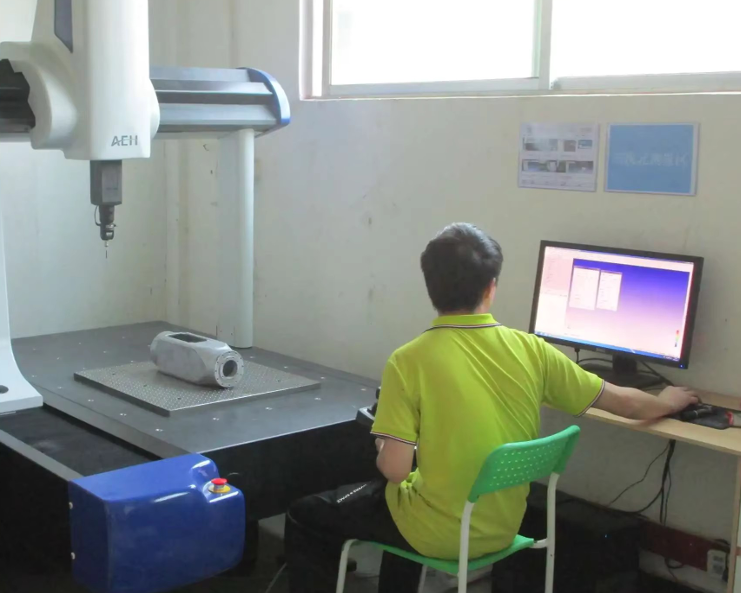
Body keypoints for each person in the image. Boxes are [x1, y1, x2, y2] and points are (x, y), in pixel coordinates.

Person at [283, 223, 698, 593]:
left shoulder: (408, 361)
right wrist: (667, 402)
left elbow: (395, 469)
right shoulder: (532, 350)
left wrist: (381, 442)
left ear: (429, 286)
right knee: (401, 502)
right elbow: (623, 402)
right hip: (504, 529)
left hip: (437, 533)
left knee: (311, 513)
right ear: (491, 287)